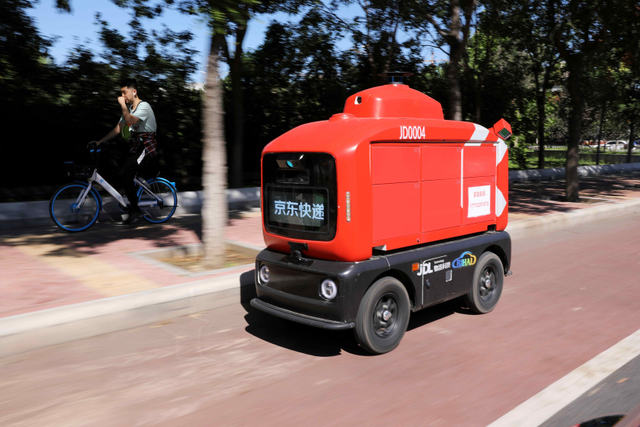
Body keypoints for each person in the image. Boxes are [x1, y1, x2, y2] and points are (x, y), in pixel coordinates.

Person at [90, 78, 159, 224]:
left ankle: (135, 210)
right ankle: (122, 184)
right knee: (107, 151)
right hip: (135, 146)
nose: (122, 96)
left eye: (124, 92)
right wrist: (100, 141)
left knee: (126, 174)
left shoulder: (143, 106)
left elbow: (129, 122)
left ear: (134, 92)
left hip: (145, 147)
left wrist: (122, 105)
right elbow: (118, 128)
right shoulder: (129, 110)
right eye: (121, 93)